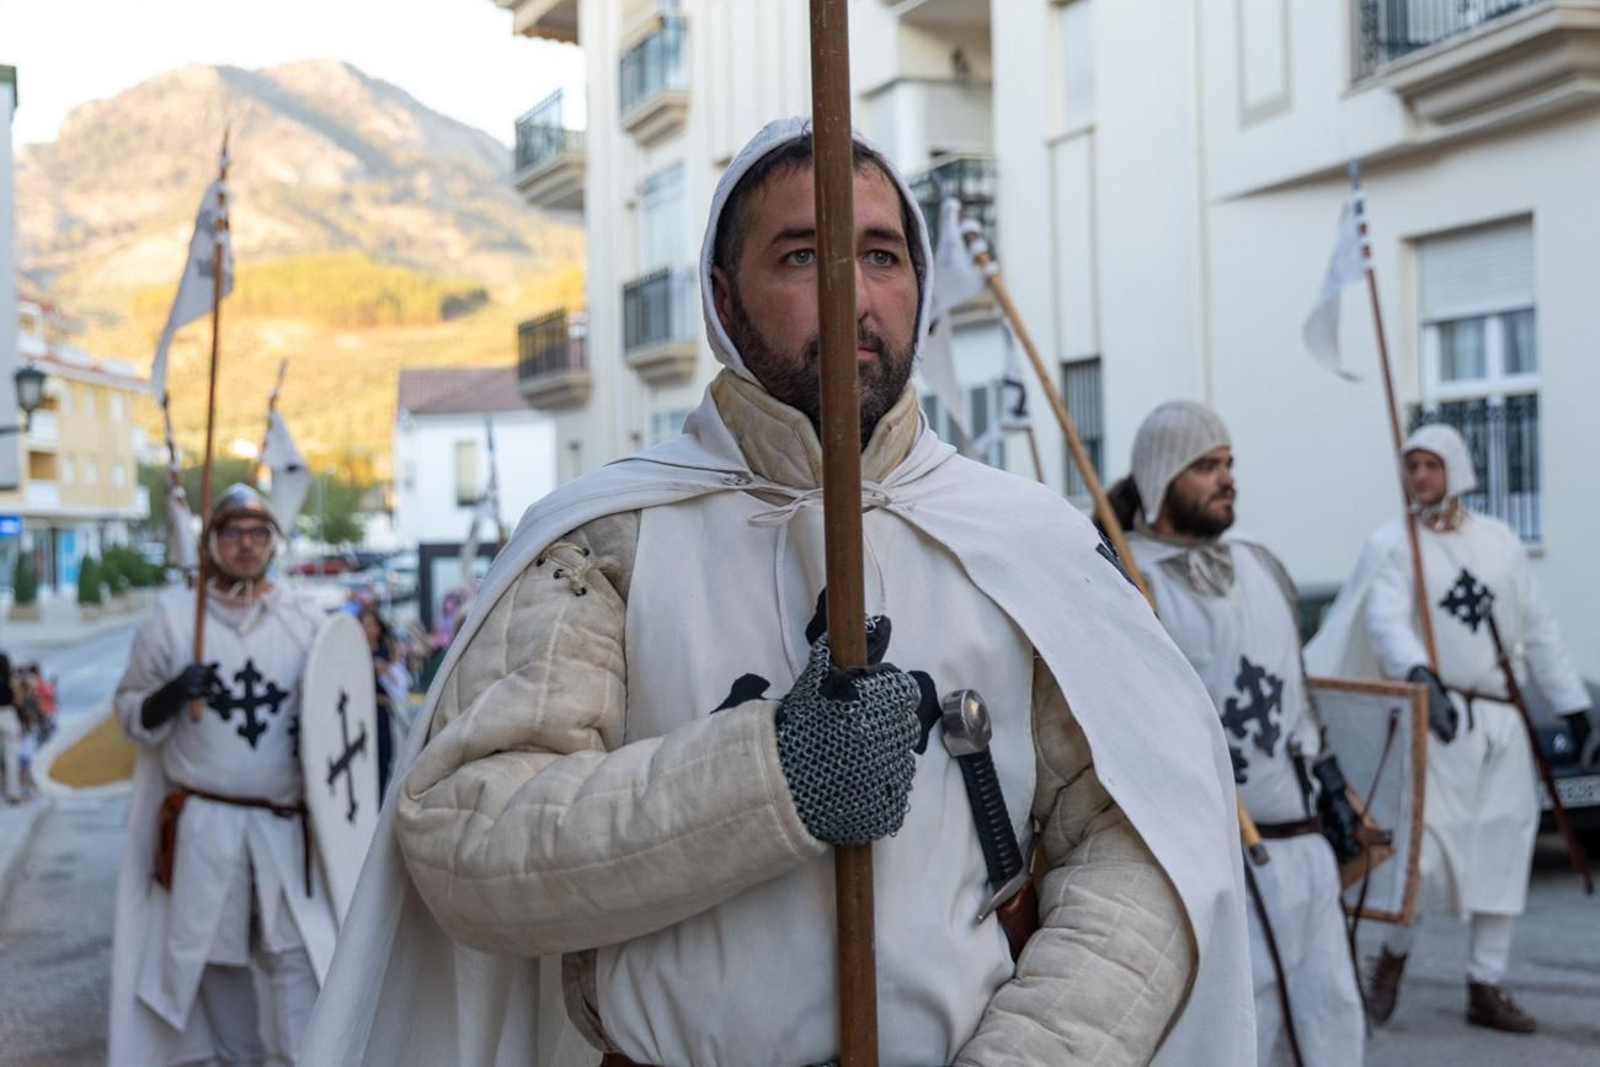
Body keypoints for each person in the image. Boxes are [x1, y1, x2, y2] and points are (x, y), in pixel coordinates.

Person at [302, 118, 1253, 1067]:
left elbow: (1141, 846)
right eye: (801, 256)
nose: (852, 298)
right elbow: (470, 838)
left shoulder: (1025, 543)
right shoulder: (608, 537)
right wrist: (771, 776)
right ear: (724, 296)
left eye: (882, 255)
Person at [1306, 423, 1597, 1033]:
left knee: (1503, 845)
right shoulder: (1394, 544)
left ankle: (1485, 983)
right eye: (1410, 466)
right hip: (1438, 720)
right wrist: (1419, 672)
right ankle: (1392, 960)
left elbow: (1539, 629)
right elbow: (1385, 620)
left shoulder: (1501, 543)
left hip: (1502, 720)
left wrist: (1573, 706)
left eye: (1430, 466)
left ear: (1456, 470)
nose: (1418, 478)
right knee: (1424, 851)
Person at [1112, 401, 1366, 1065]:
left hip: (1303, 843)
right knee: (1230, 1034)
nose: (1226, 478)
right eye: (1205, 466)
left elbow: (1297, 692)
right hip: (1217, 859)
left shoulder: (1262, 565)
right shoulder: (1129, 580)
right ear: (1163, 476)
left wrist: (1331, 781)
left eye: (1228, 464)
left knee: (1331, 1019)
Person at [109, 484, 338, 1065]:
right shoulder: (173, 619)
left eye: (257, 532)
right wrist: (169, 695)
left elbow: (344, 710)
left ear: (273, 542)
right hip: (205, 822)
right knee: (216, 958)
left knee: (296, 954)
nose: (246, 544)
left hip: (285, 823)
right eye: (233, 532)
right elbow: (132, 713)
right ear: (211, 541)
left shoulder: (307, 620)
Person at [0, 654, 21, 803]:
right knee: (11, 758)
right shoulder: (10, 680)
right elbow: (18, 700)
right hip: (8, 715)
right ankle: (13, 793)